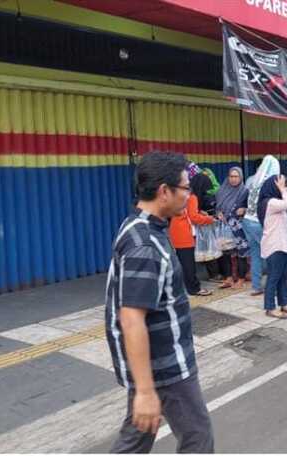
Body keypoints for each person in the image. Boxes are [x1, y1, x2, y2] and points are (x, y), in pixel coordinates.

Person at [106, 152, 214, 453]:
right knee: (198, 437)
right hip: (165, 365)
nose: (189, 195)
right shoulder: (145, 245)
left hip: (158, 361)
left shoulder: (144, 228)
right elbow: (131, 318)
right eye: (185, 188)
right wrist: (144, 390)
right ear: (164, 191)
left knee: (137, 437)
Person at [258, 175, 287, 319]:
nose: (285, 187)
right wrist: (283, 189)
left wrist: (284, 189)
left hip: (282, 245)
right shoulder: (270, 202)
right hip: (274, 246)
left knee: (283, 276)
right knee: (274, 277)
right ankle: (270, 307)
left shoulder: (276, 201)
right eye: (281, 184)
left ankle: (284, 304)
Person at [168, 174, 216, 297]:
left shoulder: (179, 194)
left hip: (175, 231)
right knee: (188, 263)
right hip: (185, 233)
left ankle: (182, 287)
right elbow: (194, 218)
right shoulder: (192, 197)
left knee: (181, 262)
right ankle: (194, 288)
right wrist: (210, 219)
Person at [243, 156, 280, 297]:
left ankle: (256, 286)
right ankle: (274, 288)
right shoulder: (271, 183)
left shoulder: (253, 180)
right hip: (259, 223)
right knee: (272, 255)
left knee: (256, 255)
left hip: (247, 221)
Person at [215, 167, 249, 289]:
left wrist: (244, 210)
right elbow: (218, 207)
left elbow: (251, 208)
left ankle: (240, 279)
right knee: (226, 252)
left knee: (241, 253)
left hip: (239, 228)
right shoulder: (221, 190)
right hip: (224, 226)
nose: (233, 179)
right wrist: (218, 213)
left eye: (236, 176)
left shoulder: (244, 191)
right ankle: (228, 278)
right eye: (231, 176)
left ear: (241, 178)